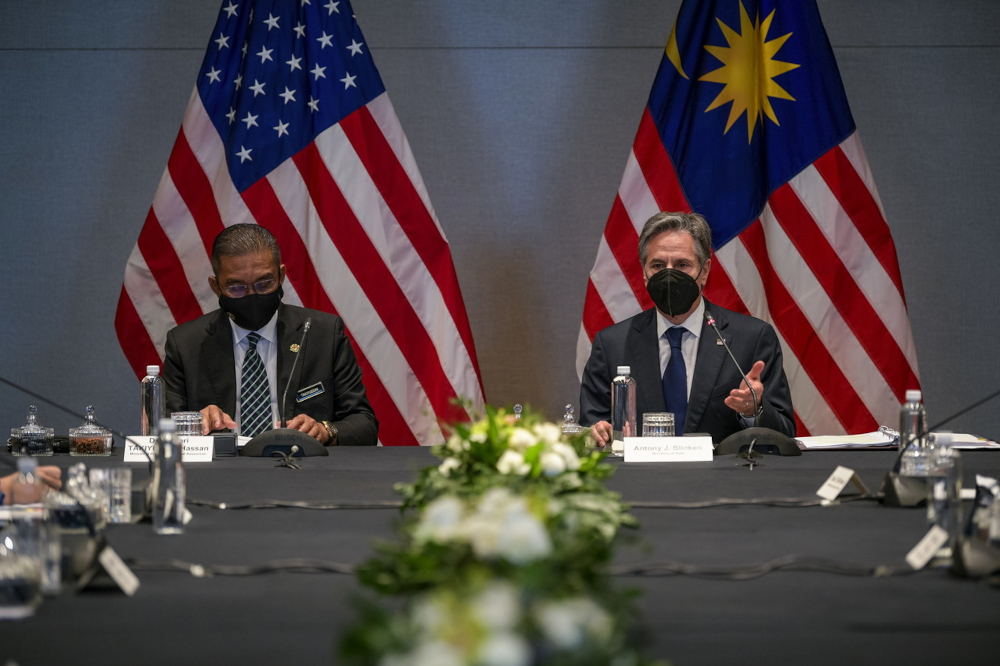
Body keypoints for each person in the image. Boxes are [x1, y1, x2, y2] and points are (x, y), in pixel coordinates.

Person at [580, 211, 794, 445]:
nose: (669, 275)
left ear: (704, 271)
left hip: (723, 479)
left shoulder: (752, 339)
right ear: (644, 272)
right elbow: (591, 431)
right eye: (658, 265)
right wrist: (596, 434)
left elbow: (784, 434)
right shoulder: (612, 344)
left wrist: (754, 410)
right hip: (641, 479)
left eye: (682, 265)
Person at [163, 224, 378, 446]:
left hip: (303, 473)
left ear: (281, 276)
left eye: (264, 284)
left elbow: (364, 424)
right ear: (216, 286)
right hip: (223, 473)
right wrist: (195, 423)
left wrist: (326, 431)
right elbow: (163, 429)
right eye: (236, 287)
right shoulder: (186, 344)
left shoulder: (323, 334)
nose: (252, 295)